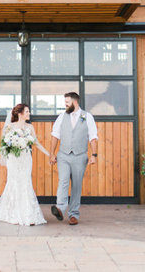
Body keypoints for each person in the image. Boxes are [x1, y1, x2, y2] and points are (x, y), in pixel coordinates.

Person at [0, 104, 50, 226]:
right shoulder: (10, 127)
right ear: (20, 114)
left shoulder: (30, 127)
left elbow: (36, 143)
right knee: (14, 182)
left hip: (26, 158)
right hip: (14, 159)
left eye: (29, 111)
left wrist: (49, 154)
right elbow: (4, 144)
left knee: (25, 183)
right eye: (27, 112)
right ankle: (12, 213)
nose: (29, 114)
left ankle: (28, 214)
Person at [49, 92, 98, 225]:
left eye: (67, 102)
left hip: (80, 156)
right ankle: (60, 208)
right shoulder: (61, 117)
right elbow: (55, 135)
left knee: (76, 185)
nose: (65, 104)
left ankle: (73, 214)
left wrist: (94, 155)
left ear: (75, 102)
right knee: (63, 181)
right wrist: (52, 153)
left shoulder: (87, 117)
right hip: (63, 155)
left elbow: (93, 136)